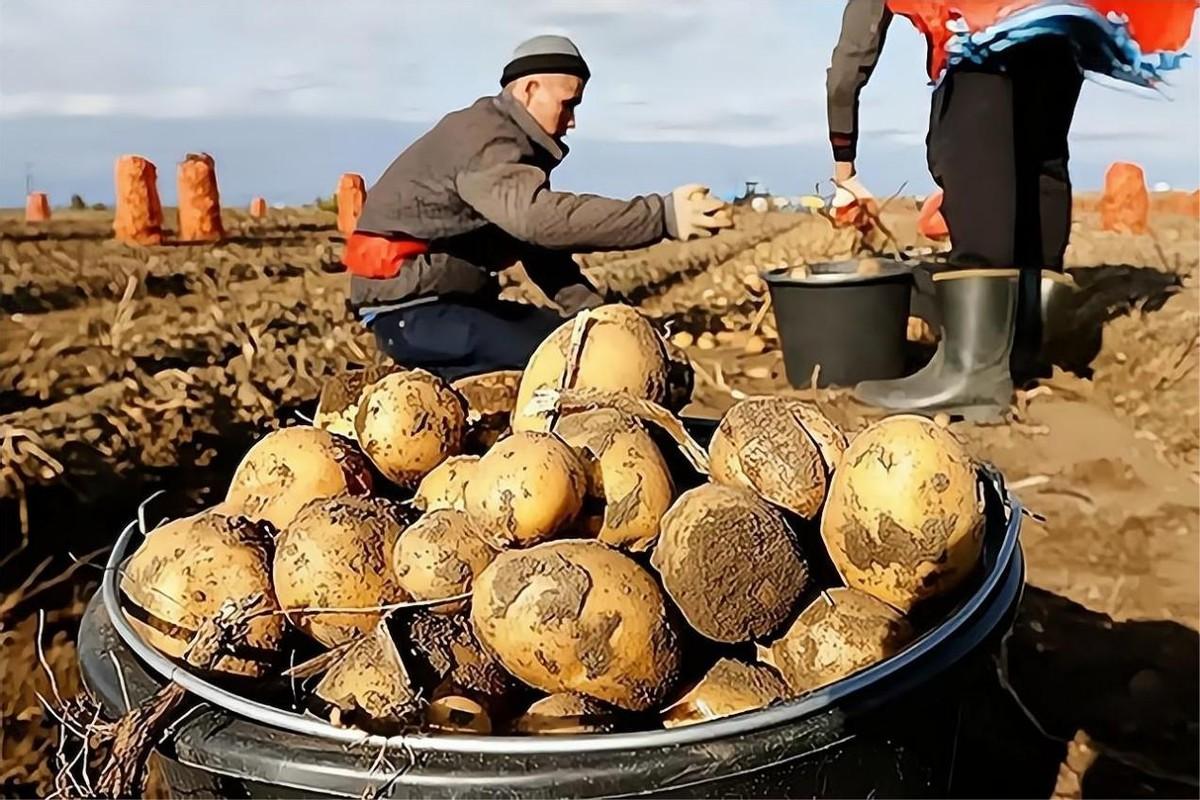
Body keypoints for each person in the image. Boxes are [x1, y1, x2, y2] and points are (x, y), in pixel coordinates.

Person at [825, 0, 1195, 419]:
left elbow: (852, 57)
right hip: (1060, 21)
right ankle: (1024, 351)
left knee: (968, 145)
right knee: (1038, 152)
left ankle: (974, 373)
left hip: (986, 16)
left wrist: (845, 168)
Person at [345, 35, 731, 379]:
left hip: (445, 307)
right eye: (569, 104)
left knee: (577, 344)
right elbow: (538, 221)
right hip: (412, 314)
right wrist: (662, 216)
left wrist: (593, 316)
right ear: (530, 89)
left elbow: (537, 248)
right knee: (573, 366)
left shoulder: (507, 149)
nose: (573, 120)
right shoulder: (484, 138)